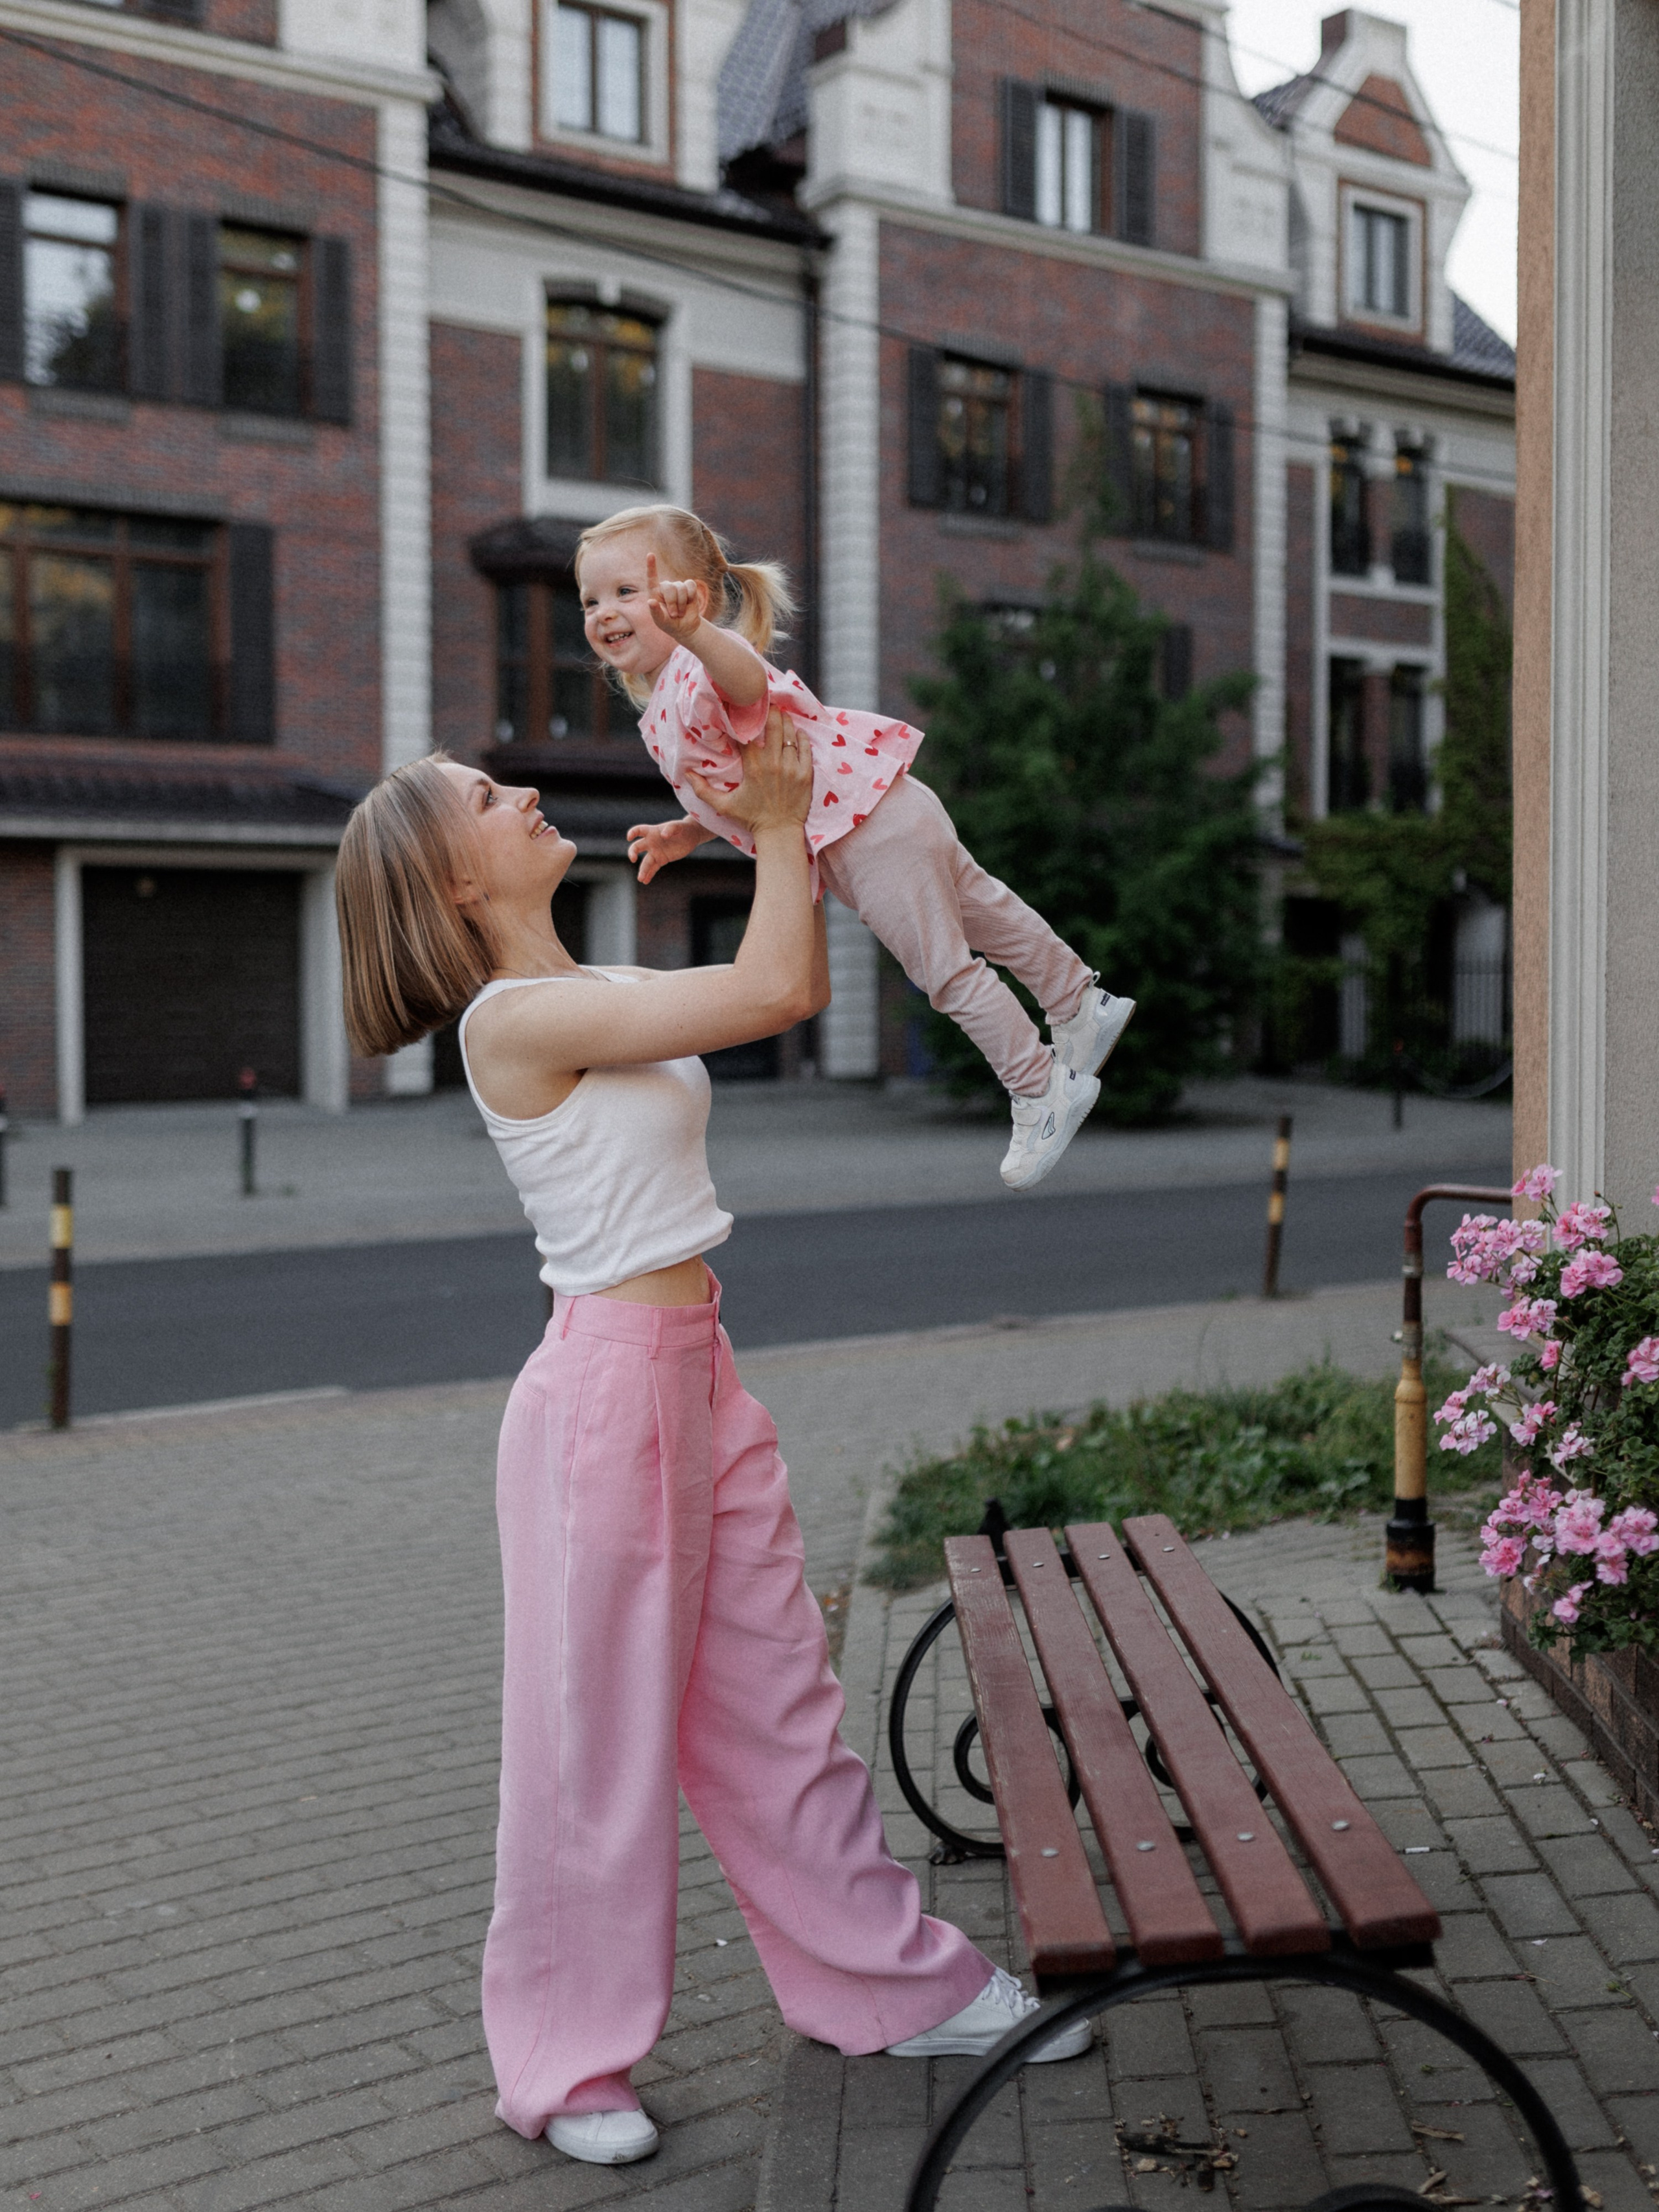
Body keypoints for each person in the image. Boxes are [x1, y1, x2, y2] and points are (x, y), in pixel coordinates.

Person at [332, 716, 1090, 2171]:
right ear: (447, 884)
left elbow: (767, 973)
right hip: (603, 1400)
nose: (526, 791)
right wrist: (794, 815)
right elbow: (783, 982)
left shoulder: (596, 981)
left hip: (697, 1378)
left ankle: (881, 1982)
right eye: (490, 797)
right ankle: (564, 2062)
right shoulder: (510, 1020)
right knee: (590, 1749)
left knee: (773, 1708)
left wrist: (769, 819)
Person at [574, 501, 1135, 1191]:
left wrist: (695, 633)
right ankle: (1078, 999)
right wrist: (688, 829)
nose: (605, 611)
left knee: (946, 971)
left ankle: (1041, 1087)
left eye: (628, 591)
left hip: (862, 832)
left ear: (696, 594)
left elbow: (745, 681)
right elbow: (736, 778)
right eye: (590, 599)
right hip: (884, 809)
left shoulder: (699, 664)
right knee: (983, 909)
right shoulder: (668, 692)